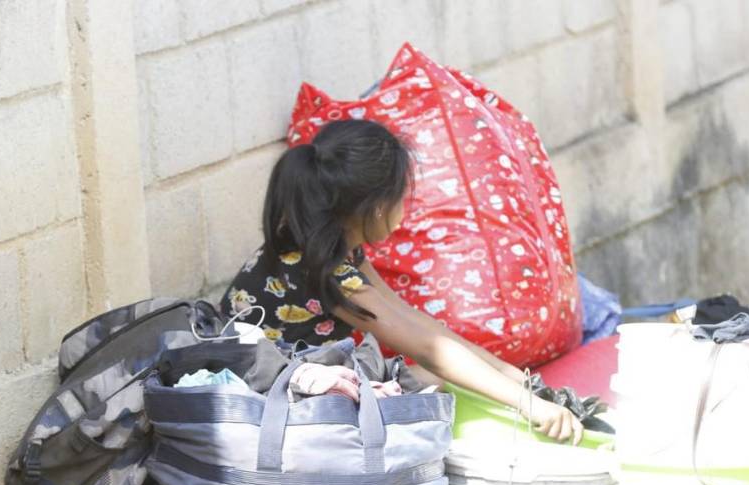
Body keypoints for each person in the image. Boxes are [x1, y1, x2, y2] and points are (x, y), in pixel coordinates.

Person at [222, 119, 583, 444]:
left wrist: (518, 379)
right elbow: (430, 351)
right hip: (269, 406)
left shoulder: (327, 248)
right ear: (379, 206)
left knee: (441, 375)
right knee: (432, 380)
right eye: (402, 197)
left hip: (288, 384)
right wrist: (531, 406)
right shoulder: (321, 270)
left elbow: (416, 323)